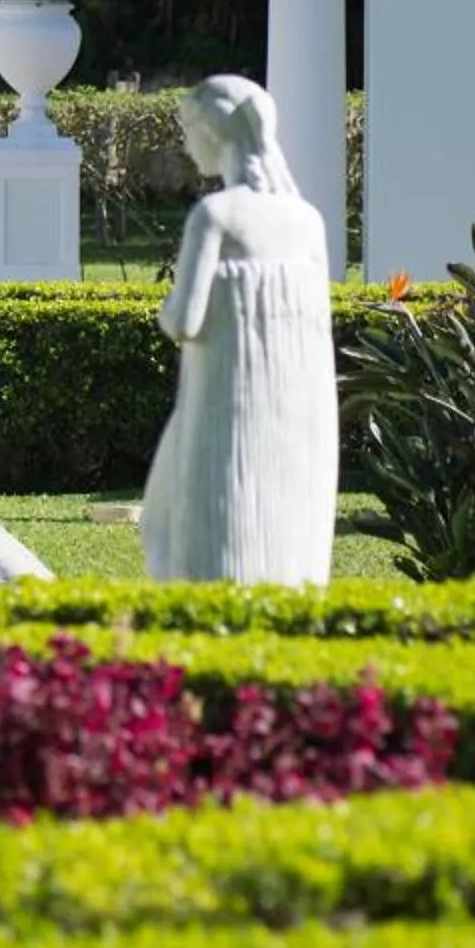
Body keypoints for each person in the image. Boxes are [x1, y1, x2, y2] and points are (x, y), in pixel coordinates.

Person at [140, 74, 340, 584]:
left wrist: (165, 308)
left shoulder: (216, 216)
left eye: (188, 130)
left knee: (177, 521)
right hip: (299, 405)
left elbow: (183, 320)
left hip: (224, 400)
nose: (186, 144)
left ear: (213, 133)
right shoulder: (307, 220)